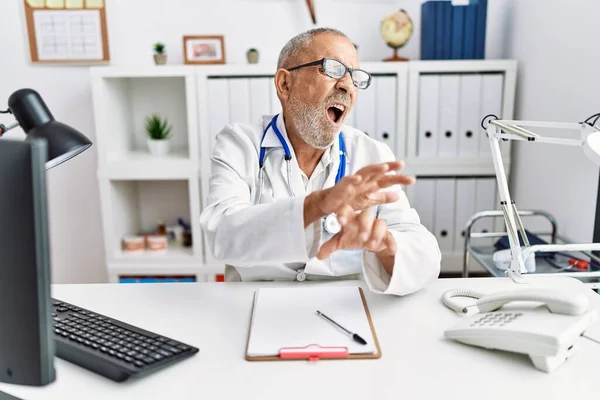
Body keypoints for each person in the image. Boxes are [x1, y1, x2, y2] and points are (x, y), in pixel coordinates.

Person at [199, 28, 441, 295]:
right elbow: (221, 232)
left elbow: (423, 252)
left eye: (355, 77)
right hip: (255, 302)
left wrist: (386, 246)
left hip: (345, 305)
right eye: (333, 69)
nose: (347, 85)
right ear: (284, 84)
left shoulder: (371, 154)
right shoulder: (240, 143)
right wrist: (317, 205)